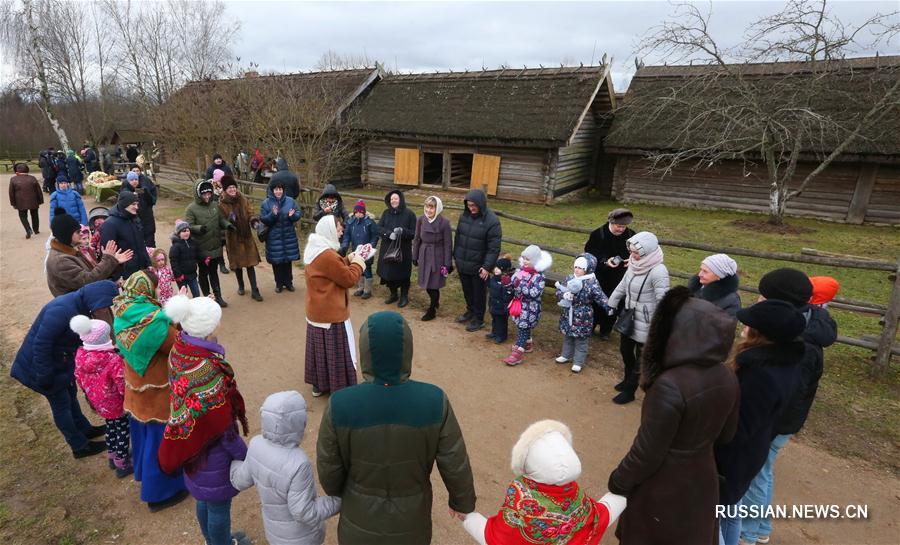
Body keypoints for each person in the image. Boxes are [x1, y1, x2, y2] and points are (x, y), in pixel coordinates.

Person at [316, 311, 477, 545]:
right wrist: (462, 502)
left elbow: (329, 468)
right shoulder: (434, 400)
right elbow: (455, 460)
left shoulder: (340, 403)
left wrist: (348, 492)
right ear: (407, 348)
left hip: (358, 521)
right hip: (412, 524)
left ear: (364, 350)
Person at [607, 286, 739, 545]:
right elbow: (727, 435)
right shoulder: (727, 375)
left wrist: (619, 481)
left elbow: (647, 452)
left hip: (664, 488)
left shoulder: (670, 385)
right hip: (702, 479)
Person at [739, 269, 837, 545]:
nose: (759, 300)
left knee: (757, 473)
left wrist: (762, 426)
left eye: (764, 297)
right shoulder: (807, 322)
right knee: (762, 472)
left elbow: (789, 393)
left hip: (776, 421)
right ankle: (759, 528)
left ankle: (748, 532)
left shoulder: (802, 346)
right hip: (777, 418)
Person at [159, 294, 250, 545]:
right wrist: (243, 454)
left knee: (203, 499)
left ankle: (212, 540)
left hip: (192, 444)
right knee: (219, 506)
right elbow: (222, 428)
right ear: (210, 328)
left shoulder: (180, 347)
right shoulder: (207, 370)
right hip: (212, 452)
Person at [715, 299, 807, 545]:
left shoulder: (760, 374)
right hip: (753, 450)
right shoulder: (785, 363)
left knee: (712, 519)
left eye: (750, 322)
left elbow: (739, 428)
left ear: (763, 333)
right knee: (729, 512)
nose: (744, 323)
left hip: (732, 460)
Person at [463, 420, 626, 545]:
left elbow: (495, 539)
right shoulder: (576, 497)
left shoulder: (521, 496)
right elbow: (604, 513)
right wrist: (627, 489)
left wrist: (468, 517)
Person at [10, 281, 118, 458]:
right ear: (96, 300)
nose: (105, 310)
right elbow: (41, 344)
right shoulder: (62, 310)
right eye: (104, 306)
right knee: (61, 406)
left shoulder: (81, 306)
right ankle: (79, 446)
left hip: (60, 363)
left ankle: (85, 429)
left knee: (70, 397)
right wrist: (45, 376)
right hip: (40, 367)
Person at [112, 271, 188, 511]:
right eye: (155, 288)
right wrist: (181, 312)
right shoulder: (153, 322)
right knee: (160, 442)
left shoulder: (124, 309)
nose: (157, 292)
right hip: (158, 394)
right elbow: (178, 343)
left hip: (136, 392)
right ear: (147, 289)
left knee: (144, 439)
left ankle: (145, 476)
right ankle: (160, 493)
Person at [230, 391, 342, 545]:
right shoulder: (299, 463)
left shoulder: (256, 445)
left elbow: (240, 481)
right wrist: (338, 502)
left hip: (274, 533)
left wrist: (231, 463)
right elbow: (303, 512)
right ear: (298, 422)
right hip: (303, 538)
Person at [303, 215, 367, 397]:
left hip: (317, 310)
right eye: (338, 228)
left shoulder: (315, 249)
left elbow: (331, 270)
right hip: (331, 312)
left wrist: (348, 258)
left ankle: (319, 384)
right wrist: (359, 262)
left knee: (319, 352)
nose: (341, 231)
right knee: (336, 353)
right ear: (330, 230)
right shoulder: (327, 255)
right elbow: (348, 279)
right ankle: (339, 389)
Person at [605, 231, 670, 404]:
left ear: (646, 252)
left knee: (641, 358)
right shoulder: (634, 263)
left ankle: (630, 390)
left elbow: (663, 300)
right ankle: (627, 379)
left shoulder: (658, 271)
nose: (632, 255)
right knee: (625, 350)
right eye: (631, 251)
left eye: (636, 252)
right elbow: (622, 285)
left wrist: (659, 324)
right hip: (630, 316)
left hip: (647, 322)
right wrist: (612, 303)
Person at [69, 314, 132, 477]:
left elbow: (78, 376)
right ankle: (122, 462)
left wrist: (88, 394)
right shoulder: (112, 359)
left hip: (98, 401)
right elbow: (121, 383)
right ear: (106, 337)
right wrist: (128, 400)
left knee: (111, 427)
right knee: (123, 430)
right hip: (115, 403)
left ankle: (112, 456)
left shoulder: (80, 354)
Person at [46, 210, 130, 296]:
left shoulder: (71, 251)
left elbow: (95, 273)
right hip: (78, 307)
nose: (82, 234)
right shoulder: (60, 261)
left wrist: (114, 262)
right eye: (78, 232)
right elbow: (88, 281)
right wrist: (109, 260)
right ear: (66, 235)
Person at [453, 189, 502, 332]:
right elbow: (458, 238)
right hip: (463, 262)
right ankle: (470, 311)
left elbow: (494, 248)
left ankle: (479, 318)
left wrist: (487, 267)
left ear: (481, 204)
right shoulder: (464, 216)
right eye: (469, 205)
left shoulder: (492, 221)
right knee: (467, 290)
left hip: (479, 266)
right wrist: (456, 256)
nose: (471, 208)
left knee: (479, 293)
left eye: (474, 205)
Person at [584, 208, 635, 339]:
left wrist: (632, 260)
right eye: (619, 226)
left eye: (624, 226)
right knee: (596, 301)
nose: (621, 229)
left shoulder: (631, 235)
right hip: (600, 274)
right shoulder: (598, 234)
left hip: (619, 276)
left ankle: (606, 330)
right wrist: (605, 261)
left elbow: (637, 253)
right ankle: (591, 325)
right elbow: (590, 253)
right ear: (611, 222)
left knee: (614, 301)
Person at [554, 253, 609, 373]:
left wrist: (608, 306)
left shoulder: (591, 282)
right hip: (569, 312)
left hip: (583, 314)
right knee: (568, 335)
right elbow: (559, 290)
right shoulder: (569, 278)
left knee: (581, 340)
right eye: (576, 267)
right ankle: (566, 355)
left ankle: (578, 361)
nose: (577, 270)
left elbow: (600, 296)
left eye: (581, 268)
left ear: (588, 269)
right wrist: (563, 294)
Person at [185, 179, 234, 306]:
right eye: (204, 194)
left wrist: (227, 225)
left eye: (209, 193)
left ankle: (218, 296)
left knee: (214, 272)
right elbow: (188, 226)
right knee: (203, 273)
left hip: (215, 245)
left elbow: (220, 219)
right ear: (198, 194)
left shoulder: (214, 205)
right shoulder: (191, 209)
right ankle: (208, 297)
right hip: (201, 247)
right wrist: (198, 228)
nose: (207, 196)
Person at [504, 245, 552, 366]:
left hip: (531, 308)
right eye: (524, 258)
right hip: (519, 305)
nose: (525, 261)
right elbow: (514, 287)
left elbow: (534, 294)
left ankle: (518, 353)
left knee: (523, 327)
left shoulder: (539, 277)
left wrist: (520, 286)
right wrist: (508, 284)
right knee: (522, 326)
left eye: (528, 259)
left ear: (535, 261)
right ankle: (528, 343)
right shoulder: (520, 271)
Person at [218, 176, 263, 301]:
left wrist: (254, 221)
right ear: (225, 190)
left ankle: (255, 290)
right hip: (233, 238)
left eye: (234, 187)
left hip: (246, 236)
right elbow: (221, 221)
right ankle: (241, 286)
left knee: (250, 264)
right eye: (229, 188)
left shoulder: (242, 199)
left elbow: (250, 212)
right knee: (237, 265)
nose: (232, 189)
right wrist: (229, 221)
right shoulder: (221, 204)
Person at [413, 196, 453, 321]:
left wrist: (447, 263)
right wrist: (415, 256)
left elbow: (448, 244)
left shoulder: (444, 223)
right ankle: (435, 302)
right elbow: (417, 239)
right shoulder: (420, 220)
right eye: (427, 206)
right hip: (424, 254)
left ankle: (432, 310)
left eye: (432, 207)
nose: (429, 210)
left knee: (433, 285)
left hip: (437, 256)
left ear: (437, 208)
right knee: (426, 283)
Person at [260, 178, 302, 293]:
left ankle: (289, 283)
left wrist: (292, 216)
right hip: (274, 237)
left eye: (280, 189)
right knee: (277, 262)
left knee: (288, 261)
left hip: (288, 236)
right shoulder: (266, 203)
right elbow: (263, 219)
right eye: (276, 189)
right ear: (272, 190)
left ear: (283, 190)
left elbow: (298, 213)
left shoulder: (290, 201)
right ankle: (279, 284)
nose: (278, 191)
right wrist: (272, 215)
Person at [376, 190, 417, 307]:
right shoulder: (386, 213)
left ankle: (404, 296)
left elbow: (414, 233)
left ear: (401, 199)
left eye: (396, 198)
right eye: (392, 199)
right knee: (388, 274)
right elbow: (379, 228)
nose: (394, 201)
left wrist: (403, 232)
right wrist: (388, 234)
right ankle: (393, 294)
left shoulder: (409, 214)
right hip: (387, 249)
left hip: (403, 250)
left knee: (403, 274)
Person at [100, 191, 151, 279]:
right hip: (125, 273)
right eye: (133, 204)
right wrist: (116, 276)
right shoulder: (109, 225)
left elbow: (142, 244)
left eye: (137, 204)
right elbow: (108, 254)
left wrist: (148, 263)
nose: (137, 207)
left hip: (142, 269)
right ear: (124, 204)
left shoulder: (134, 219)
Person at [341, 200, 378, 300]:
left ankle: (367, 290)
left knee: (367, 269)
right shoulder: (350, 222)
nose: (358, 214)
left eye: (361, 212)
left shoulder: (369, 222)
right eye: (356, 212)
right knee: (358, 268)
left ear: (364, 212)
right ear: (354, 212)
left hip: (366, 251)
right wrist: (344, 245)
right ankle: (360, 287)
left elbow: (375, 236)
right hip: (356, 250)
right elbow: (347, 236)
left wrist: (371, 246)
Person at [120, 167, 158, 246]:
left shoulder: (143, 187)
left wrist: (146, 192)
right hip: (134, 222)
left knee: (150, 241)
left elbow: (151, 201)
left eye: (136, 179)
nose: (134, 181)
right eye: (132, 180)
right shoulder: (125, 192)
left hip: (147, 219)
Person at [9, 163, 44, 238]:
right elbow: (39, 191)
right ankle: (36, 229)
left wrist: (13, 203)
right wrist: (40, 200)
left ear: (17, 172)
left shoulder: (13, 179)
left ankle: (28, 229)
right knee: (35, 215)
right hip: (33, 200)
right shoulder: (32, 178)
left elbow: (11, 193)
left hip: (20, 201)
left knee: (22, 216)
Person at [485, 255, 513, 344]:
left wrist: (506, 288)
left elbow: (508, 296)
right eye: (496, 267)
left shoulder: (506, 281)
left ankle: (502, 336)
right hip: (493, 304)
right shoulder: (494, 278)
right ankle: (494, 332)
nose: (496, 270)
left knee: (501, 322)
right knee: (495, 320)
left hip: (502, 306)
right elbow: (490, 286)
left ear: (504, 270)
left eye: (499, 268)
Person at [170, 219, 202, 297]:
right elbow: (174, 262)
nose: (186, 233)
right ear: (178, 233)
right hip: (182, 277)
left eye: (187, 230)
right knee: (184, 296)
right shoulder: (175, 246)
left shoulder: (193, 242)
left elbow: (198, 254)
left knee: (197, 294)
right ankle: (184, 308)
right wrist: (178, 275)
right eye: (183, 231)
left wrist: (204, 258)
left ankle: (196, 308)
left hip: (192, 274)